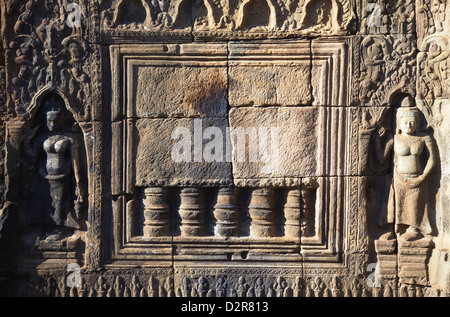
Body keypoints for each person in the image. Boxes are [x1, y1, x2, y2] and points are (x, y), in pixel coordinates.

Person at [375, 96, 437, 241]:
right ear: (399, 123)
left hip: (417, 178)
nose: (409, 125)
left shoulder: (423, 139)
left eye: (412, 122)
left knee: (413, 204)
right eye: (405, 122)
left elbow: (432, 160)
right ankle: (393, 228)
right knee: (396, 203)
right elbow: (381, 159)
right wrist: (376, 140)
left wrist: (422, 177)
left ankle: (414, 229)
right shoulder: (395, 139)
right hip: (399, 177)